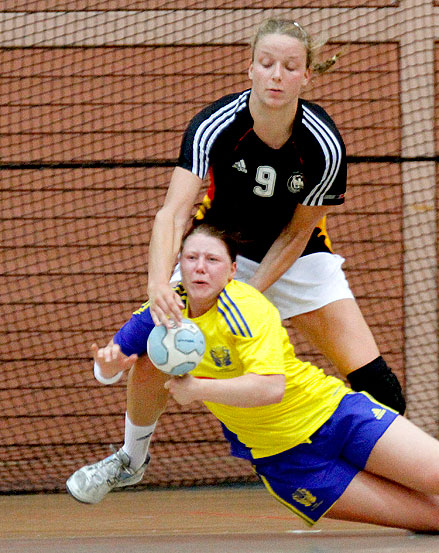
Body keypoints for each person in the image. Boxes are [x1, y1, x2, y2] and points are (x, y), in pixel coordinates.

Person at [67, 223, 439, 533]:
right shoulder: (164, 309)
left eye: (213, 260)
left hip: (334, 415)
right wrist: (109, 363)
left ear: (229, 272)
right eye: (190, 257)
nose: (199, 266)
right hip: (287, 461)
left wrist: (197, 391)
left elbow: (269, 389)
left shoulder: (250, 307)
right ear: (179, 265)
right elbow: (107, 367)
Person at [66, 18, 406, 503]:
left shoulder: (323, 143)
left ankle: (406, 480)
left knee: (378, 385)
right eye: (266, 63)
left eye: (289, 67)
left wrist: (249, 293)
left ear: (305, 77)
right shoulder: (216, 124)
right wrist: (159, 282)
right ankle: (130, 459)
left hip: (299, 260)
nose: (276, 75)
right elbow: (173, 212)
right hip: (219, 253)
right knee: (152, 354)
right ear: (250, 66)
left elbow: (297, 232)